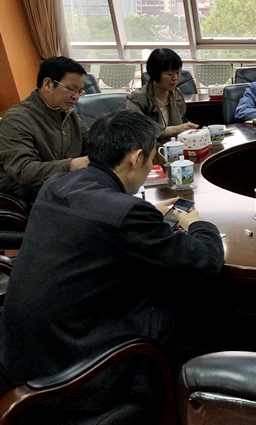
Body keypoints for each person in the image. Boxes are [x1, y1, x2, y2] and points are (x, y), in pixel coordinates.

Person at [0, 109, 225, 415]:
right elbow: (205, 260)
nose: (151, 165)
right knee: (188, 293)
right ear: (136, 158)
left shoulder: (57, 184)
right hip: (77, 375)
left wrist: (146, 215)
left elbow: (97, 222)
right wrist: (197, 223)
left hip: (25, 358)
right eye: (151, 159)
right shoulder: (126, 214)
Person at [0, 56, 90, 204]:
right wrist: (71, 165)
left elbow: (93, 144)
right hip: (29, 198)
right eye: (71, 89)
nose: (76, 97)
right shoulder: (17, 119)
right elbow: (23, 170)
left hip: (63, 188)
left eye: (80, 91)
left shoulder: (68, 114)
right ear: (48, 84)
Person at [127, 48, 198, 139]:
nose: (175, 78)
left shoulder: (176, 94)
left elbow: (182, 120)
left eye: (178, 73)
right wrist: (173, 130)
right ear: (155, 73)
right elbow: (137, 131)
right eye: (170, 74)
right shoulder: (136, 99)